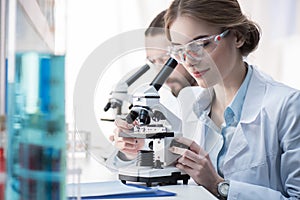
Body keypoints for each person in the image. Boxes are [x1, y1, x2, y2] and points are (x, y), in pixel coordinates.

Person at [163, 0, 300, 199]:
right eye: (180, 51)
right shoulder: (189, 106)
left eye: (201, 44)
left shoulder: (288, 107)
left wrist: (219, 185)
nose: (189, 61)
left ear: (237, 36)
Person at [106, 10, 199, 166]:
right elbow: (117, 165)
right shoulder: (161, 100)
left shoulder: (209, 100)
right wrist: (130, 152)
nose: (160, 70)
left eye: (165, 59)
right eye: (153, 61)